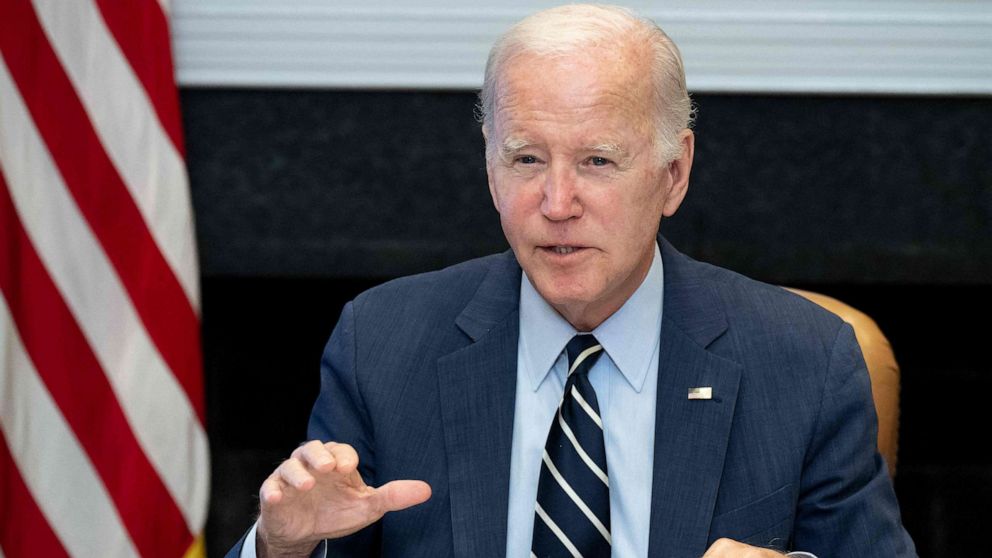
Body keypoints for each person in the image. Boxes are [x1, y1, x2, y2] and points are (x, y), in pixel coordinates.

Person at [227, 4, 917, 557]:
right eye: (526, 159)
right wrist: (282, 548)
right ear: (490, 170)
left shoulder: (804, 361)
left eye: (597, 161)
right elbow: (316, 534)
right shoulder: (381, 343)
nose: (557, 203)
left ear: (673, 174)